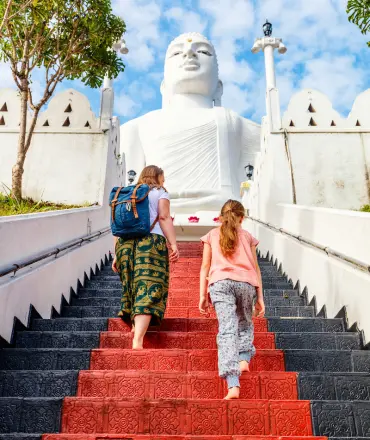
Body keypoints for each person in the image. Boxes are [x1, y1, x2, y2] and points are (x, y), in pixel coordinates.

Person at [199, 199, 265, 399]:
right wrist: (260, 296)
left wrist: (203, 295)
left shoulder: (211, 235)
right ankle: (244, 359)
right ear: (242, 218)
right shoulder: (248, 237)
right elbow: (256, 268)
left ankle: (233, 385)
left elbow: (204, 267)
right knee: (244, 324)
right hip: (246, 284)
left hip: (219, 284)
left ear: (220, 216)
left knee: (227, 331)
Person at [112, 165, 179, 349]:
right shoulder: (159, 192)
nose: (163, 182)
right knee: (148, 287)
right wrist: (173, 244)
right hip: (151, 243)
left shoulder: (128, 193)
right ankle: (138, 340)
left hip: (124, 245)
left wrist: (116, 254)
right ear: (157, 178)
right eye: (162, 179)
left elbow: (119, 224)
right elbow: (164, 218)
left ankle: (135, 327)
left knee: (132, 286)